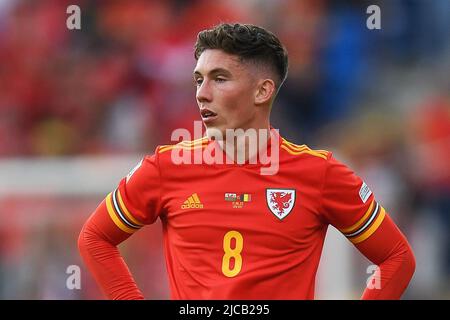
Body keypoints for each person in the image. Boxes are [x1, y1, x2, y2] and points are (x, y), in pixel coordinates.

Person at [78, 23, 415, 299]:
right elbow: (95, 237)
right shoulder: (167, 168)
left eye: (219, 79)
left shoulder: (319, 173)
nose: (202, 92)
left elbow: (397, 258)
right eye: (199, 79)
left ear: (262, 91)